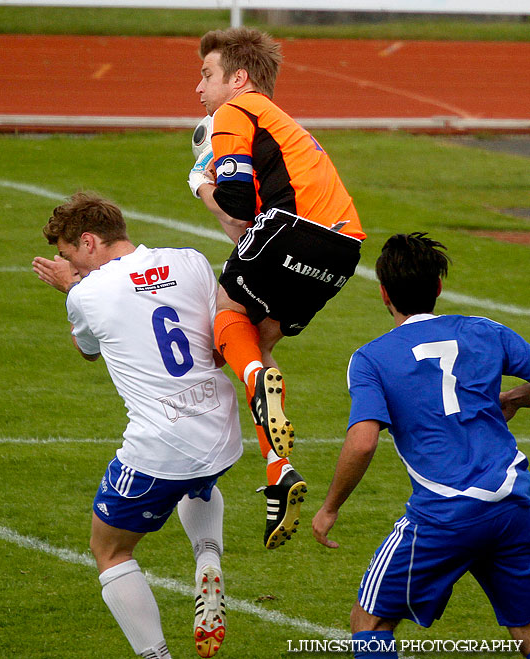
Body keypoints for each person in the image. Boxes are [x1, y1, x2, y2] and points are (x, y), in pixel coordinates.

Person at [32, 192, 243, 659]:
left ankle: (155, 656)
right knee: (198, 481)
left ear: (88, 241)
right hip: (222, 428)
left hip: (160, 445)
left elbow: (88, 352)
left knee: (109, 551)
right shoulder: (189, 260)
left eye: (70, 256)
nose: (71, 267)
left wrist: (72, 288)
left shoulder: (86, 293)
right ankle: (208, 557)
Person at [312, 232, 530, 659]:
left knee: (369, 621)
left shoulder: (372, 358)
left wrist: (330, 506)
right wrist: (513, 398)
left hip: (446, 512)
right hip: (515, 499)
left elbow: (362, 443)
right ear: (439, 287)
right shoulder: (485, 330)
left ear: (383, 294)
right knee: (524, 626)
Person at [188, 27, 366, 550]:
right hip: (344, 248)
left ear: (238, 79)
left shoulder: (233, 113)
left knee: (224, 311)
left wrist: (203, 186)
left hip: (292, 230)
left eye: (206, 75)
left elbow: (241, 207)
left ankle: (251, 389)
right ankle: (277, 468)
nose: (199, 89)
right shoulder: (283, 123)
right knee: (257, 345)